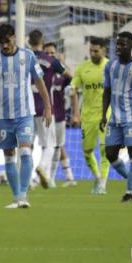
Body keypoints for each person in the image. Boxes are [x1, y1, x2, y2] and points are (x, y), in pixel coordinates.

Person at [0, 24, 51, 209]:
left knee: (26, 151)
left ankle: (23, 195)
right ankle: (15, 197)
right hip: (3, 116)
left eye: (7, 41)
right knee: (9, 156)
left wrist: (47, 107)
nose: (5, 45)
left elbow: (39, 82)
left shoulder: (27, 56)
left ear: (14, 37)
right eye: (1, 43)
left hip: (25, 114)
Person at [99, 32, 132, 203]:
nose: (119, 47)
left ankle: (130, 192)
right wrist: (104, 114)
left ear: (131, 46)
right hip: (115, 117)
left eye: (123, 44)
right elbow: (107, 91)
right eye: (117, 44)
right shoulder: (110, 66)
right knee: (110, 154)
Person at [28, 29, 66, 189]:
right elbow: (66, 73)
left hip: (27, 108)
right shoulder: (50, 60)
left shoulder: (24, 58)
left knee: (26, 146)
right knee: (49, 144)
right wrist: (60, 61)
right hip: (45, 107)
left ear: (29, 42)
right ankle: (42, 168)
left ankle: (27, 179)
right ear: (42, 41)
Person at [71, 37, 109, 194]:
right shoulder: (82, 68)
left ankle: (102, 184)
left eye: (96, 51)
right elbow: (73, 88)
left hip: (106, 114)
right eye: (91, 50)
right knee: (87, 152)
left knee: (104, 149)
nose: (93, 53)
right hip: (87, 116)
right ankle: (97, 177)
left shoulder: (110, 67)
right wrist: (75, 113)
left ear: (103, 50)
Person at [42, 42, 76, 187]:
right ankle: (46, 175)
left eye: (52, 53)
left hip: (60, 115)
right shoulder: (40, 73)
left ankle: (51, 177)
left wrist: (62, 63)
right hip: (43, 114)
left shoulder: (61, 75)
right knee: (47, 146)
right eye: (47, 53)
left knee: (57, 146)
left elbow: (73, 84)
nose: (50, 56)